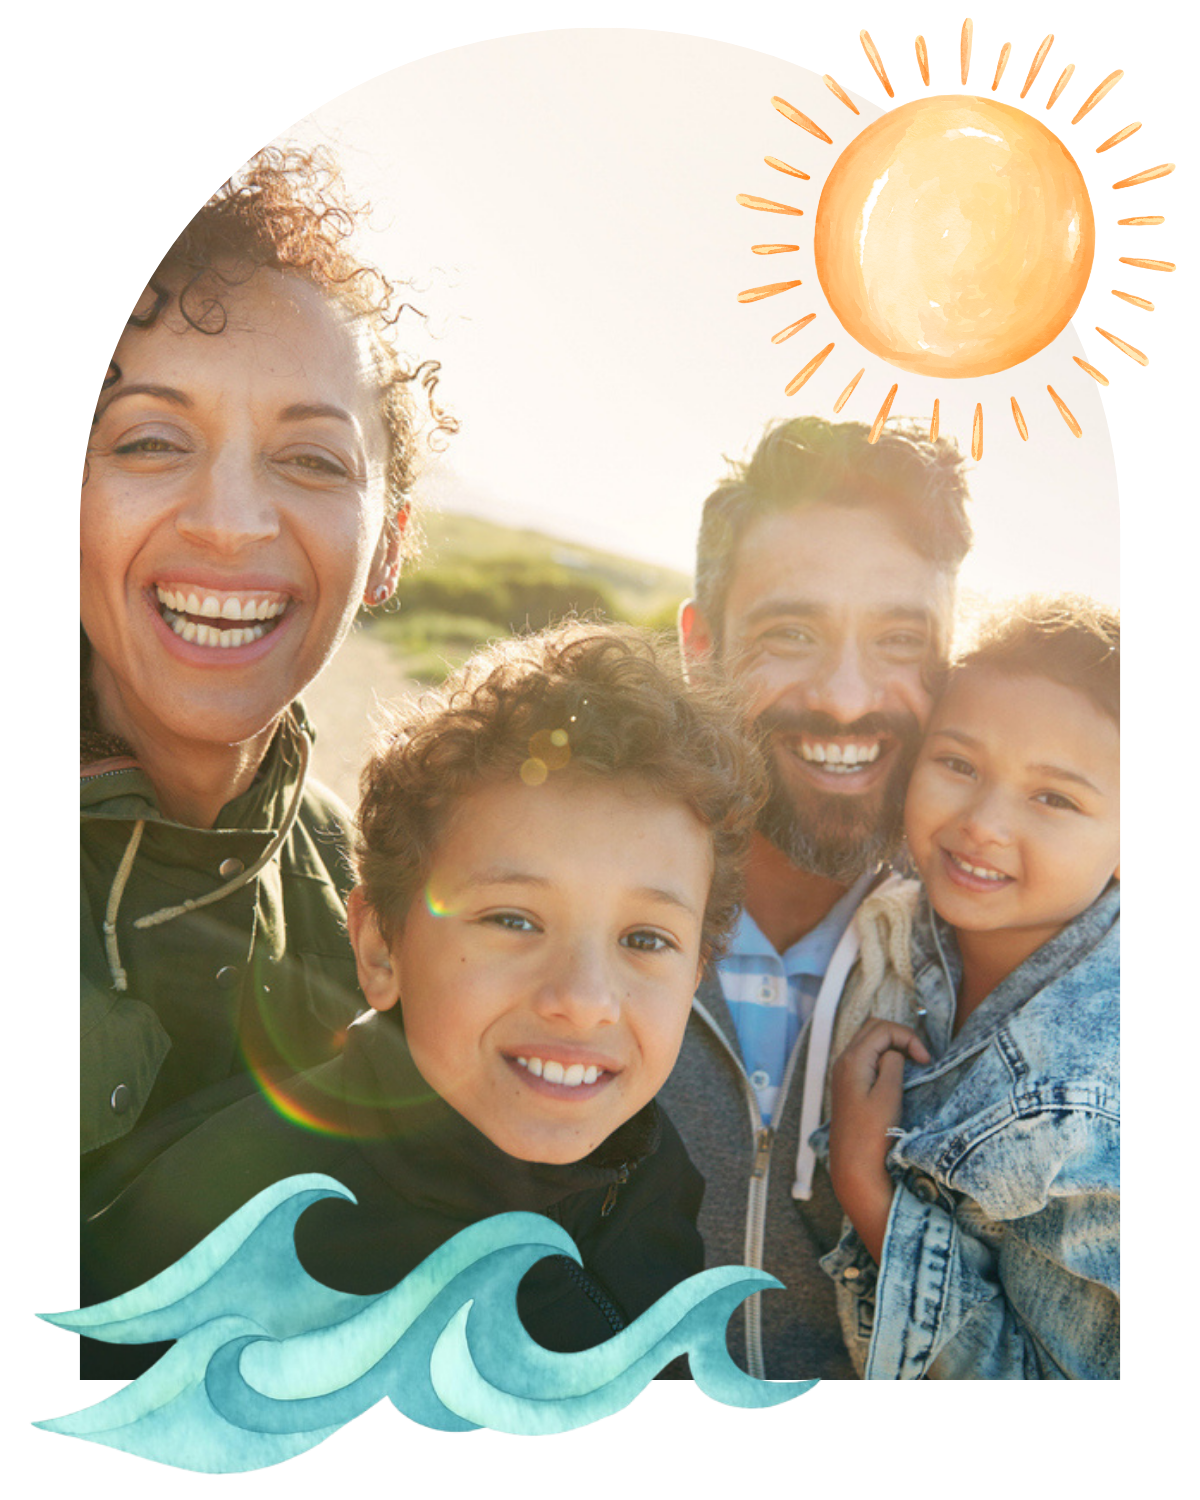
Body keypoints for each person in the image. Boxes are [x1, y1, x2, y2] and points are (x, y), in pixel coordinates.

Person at [77, 622, 767, 1404]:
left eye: (646, 939)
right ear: (379, 950)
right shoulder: (220, 1236)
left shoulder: (650, 1176)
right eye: (514, 920)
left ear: (697, 973)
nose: (583, 999)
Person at [79, 148, 456, 1184]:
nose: (233, 525)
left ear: (387, 547)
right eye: (150, 442)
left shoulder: (373, 906)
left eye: (313, 460)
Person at [656, 414, 973, 1378]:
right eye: (791, 632)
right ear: (700, 646)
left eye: (898, 639)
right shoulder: (568, 906)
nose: (845, 697)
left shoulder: (1001, 963)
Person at [818, 595, 1120, 1377]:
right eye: (958, 764)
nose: (983, 821)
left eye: (1053, 797)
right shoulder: (896, 925)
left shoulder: (1097, 1099)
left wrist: (864, 1184)